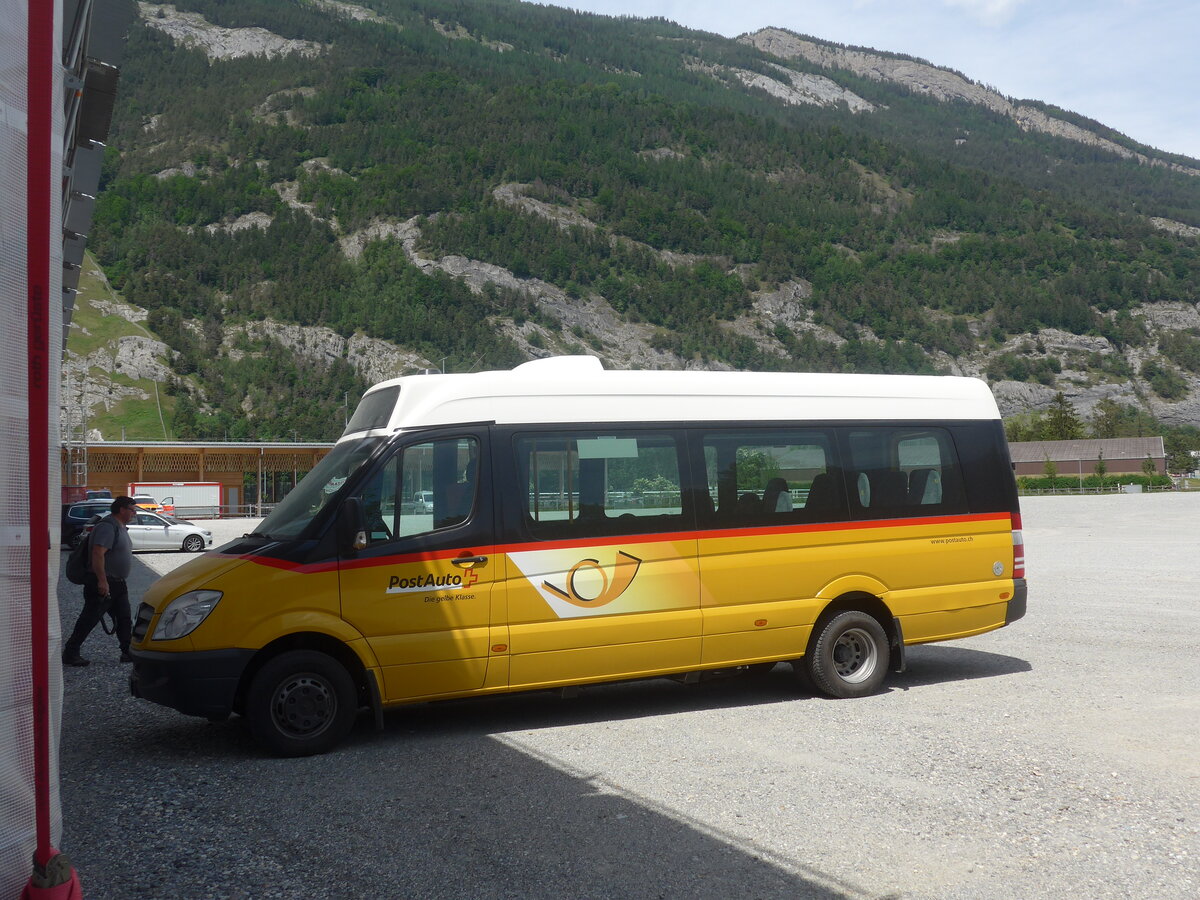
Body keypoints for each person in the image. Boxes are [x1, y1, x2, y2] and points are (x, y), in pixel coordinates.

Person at [62, 495, 139, 666]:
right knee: (89, 618)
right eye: (132, 510)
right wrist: (102, 581)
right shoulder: (107, 526)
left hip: (117, 583)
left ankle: (127, 651)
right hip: (104, 582)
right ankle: (70, 652)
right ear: (122, 510)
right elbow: (98, 554)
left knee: (124, 617)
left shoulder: (119, 526)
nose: (134, 513)